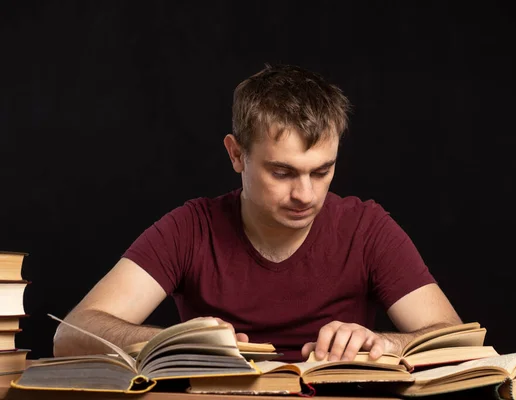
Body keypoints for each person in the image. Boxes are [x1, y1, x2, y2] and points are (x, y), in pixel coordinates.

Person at [53, 64, 462, 362]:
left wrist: (389, 343)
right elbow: (70, 334)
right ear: (236, 154)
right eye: (282, 172)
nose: (306, 194)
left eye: (322, 171)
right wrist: (174, 339)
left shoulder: (366, 228)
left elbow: (460, 340)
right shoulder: (190, 228)